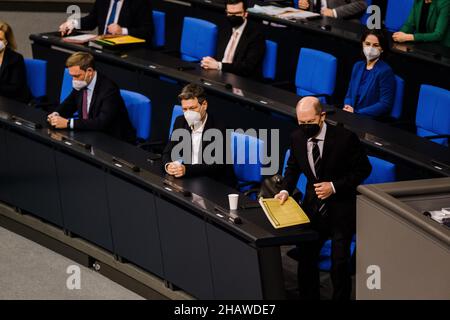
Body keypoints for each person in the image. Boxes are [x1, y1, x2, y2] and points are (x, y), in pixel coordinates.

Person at [275, 97, 371, 300]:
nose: (305, 127)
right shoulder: (297, 137)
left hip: (341, 208)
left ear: (322, 117)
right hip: (313, 207)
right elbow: (293, 167)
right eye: (301, 123)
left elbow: (363, 169)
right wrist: (285, 190)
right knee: (306, 257)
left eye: (309, 122)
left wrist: (334, 187)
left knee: (339, 263)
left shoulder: (345, 138)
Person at [47, 52, 136, 143]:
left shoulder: (109, 89)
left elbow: (102, 122)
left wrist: (68, 123)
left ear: (89, 71)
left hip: (114, 140)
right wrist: (56, 114)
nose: (74, 80)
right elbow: (69, 103)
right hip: (90, 134)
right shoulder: (82, 84)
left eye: (77, 76)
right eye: (72, 76)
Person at [162, 84, 237, 187]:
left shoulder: (220, 127)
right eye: (185, 109)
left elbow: (215, 165)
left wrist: (186, 170)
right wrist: (168, 165)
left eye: (192, 108)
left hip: (214, 183)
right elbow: (167, 151)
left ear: (204, 105)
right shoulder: (180, 121)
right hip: (189, 179)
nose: (188, 114)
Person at [200, 0, 265, 78]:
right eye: (230, 13)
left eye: (237, 13)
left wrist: (218, 65)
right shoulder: (224, 28)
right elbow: (219, 56)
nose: (233, 17)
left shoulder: (256, 36)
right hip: (220, 74)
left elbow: (247, 68)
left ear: (245, 13)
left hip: (242, 79)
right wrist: (209, 62)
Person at [343, 29, 396, 118]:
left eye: (376, 45)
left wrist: (357, 112)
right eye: (367, 44)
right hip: (351, 114)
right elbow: (349, 94)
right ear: (362, 44)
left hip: (368, 119)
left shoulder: (385, 71)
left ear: (382, 49)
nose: (370, 48)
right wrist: (348, 107)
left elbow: (385, 104)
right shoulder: (357, 66)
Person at [59, 0, 154, 42]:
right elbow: (92, 20)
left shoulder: (140, 2)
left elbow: (147, 31)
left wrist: (123, 31)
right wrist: (73, 23)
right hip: (102, 46)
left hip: (126, 51)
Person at [0, 21, 32, 104]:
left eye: (0, 39)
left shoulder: (15, 59)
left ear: (6, 41)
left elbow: (15, 89)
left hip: (12, 102)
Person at [297, 0, 368, 19]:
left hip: (340, 24)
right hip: (312, 22)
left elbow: (361, 4)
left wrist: (334, 13)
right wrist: (304, 3)